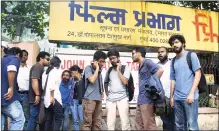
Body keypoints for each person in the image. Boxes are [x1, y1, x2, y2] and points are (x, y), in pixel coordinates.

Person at [169, 35, 201, 130]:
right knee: (179, 126)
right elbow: (172, 79)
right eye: (172, 43)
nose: (174, 45)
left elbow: (198, 74)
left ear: (183, 43)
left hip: (190, 98)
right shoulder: (173, 60)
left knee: (192, 126)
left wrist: (191, 93)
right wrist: (172, 97)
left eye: (177, 42)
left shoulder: (191, 55)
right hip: (177, 98)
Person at [132, 47, 163, 130]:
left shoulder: (147, 62)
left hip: (147, 99)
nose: (132, 56)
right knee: (139, 124)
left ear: (139, 54)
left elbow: (160, 70)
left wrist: (151, 84)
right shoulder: (140, 65)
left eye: (133, 53)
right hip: (141, 99)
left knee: (149, 125)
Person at [104, 49, 131, 130]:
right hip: (111, 99)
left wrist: (118, 70)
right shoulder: (109, 70)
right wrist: (107, 94)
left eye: (114, 58)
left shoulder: (125, 68)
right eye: (110, 59)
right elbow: (105, 82)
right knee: (110, 124)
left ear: (118, 57)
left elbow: (125, 81)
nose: (112, 60)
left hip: (122, 98)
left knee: (125, 122)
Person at [81, 50, 107, 130]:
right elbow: (92, 80)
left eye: (103, 61)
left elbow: (99, 82)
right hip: (89, 99)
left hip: (98, 99)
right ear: (95, 61)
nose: (102, 63)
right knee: (87, 123)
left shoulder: (99, 71)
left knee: (97, 123)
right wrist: (97, 69)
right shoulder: (88, 68)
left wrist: (102, 91)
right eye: (101, 61)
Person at [1, 47, 25, 130]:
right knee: (19, 119)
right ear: (18, 54)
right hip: (7, 98)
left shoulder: (2, 60)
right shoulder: (14, 58)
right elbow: (11, 67)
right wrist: (11, 87)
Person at [27, 51, 50, 130]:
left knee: (35, 118)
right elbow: (34, 80)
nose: (49, 61)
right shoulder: (37, 67)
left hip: (37, 97)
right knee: (33, 118)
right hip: (35, 97)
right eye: (47, 59)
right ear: (41, 58)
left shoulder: (41, 68)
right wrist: (37, 95)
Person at [42, 56, 63, 130]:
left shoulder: (45, 72)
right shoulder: (55, 71)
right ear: (58, 64)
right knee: (58, 120)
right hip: (54, 98)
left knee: (48, 119)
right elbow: (52, 85)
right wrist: (52, 97)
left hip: (46, 100)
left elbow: (43, 86)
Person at [157, 47, 175, 131]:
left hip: (172, 96)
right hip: (161, 98)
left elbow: (175, 80)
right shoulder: (156, 66)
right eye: (159, 52)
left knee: (174, 120)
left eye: (162, 52)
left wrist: (173, 96)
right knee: (165, 121)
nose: (160, 53)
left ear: (167, 53)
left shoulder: (172, 64)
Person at [17, 49, 31, 130]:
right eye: (22, 55)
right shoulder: (15, 67)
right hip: (16, 94)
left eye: (25, 55)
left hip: (26, 95)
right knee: (16, 116)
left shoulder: (30, 68)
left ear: (27, 57)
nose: (23, 56)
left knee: (26, 116)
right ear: (19, 56)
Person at [70, 65, 84, 130]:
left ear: (77, 71)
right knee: (75, 120)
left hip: (81, 102)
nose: (71, 74)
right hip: (73, 101)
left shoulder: (83, 79)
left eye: (72, 72)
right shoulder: (72, 80)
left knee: (82, 119)